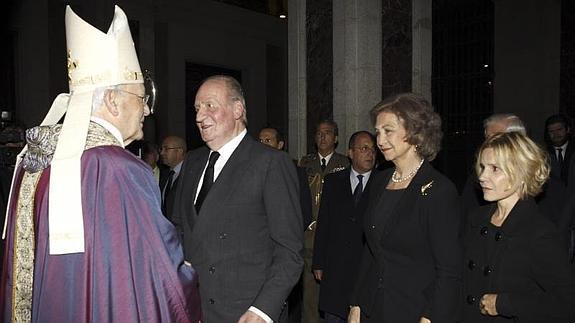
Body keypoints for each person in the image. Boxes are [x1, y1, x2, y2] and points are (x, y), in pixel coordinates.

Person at [0, 6, 201, 322]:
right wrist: (189, 273)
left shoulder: (35, 159)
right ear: (112, 100)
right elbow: (159, 277)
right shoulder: (119, 169)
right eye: (140, 97)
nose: (147, 111)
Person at [173, 75, 303, 322]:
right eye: (197, 109)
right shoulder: (192, 161)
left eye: (210, 105)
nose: (200, 117)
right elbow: (180, 226)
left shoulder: (271, 163)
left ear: (237, 109)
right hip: (196, 308)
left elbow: (289, 252)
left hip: (246, 311)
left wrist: (263, 310)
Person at [349, 93, 462, 323]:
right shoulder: (380, 181)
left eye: (388, 131)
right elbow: (371, 251)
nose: (380, 141)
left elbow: (449, 270)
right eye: (378, 132)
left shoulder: (439, 190)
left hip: (414, 311)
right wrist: (357, 303)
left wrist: (430, 316)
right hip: (374, 307)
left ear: (414, 132)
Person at [463, 132, 575, 322]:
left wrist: (505, 304)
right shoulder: (477, 219)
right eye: (482, 167)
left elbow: (567, 304)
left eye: (495, 169)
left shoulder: (539, 232)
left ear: (523, 173)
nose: (482, 176)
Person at [312, 131, 377, 323]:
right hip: (336, 270)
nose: (370, 154)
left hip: (366, 269)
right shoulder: (333, 181)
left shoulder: (382, 183)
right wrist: (318, 262)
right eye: (364, 148)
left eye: (373, 150)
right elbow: (324, 223)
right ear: (350, 152)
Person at [258, 125, 311, 323]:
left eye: (268, 140)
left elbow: (304, 214)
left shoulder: (296, 172)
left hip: (284, 251)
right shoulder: (250, 171)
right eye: (260, 140)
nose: (263, 144)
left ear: (280, 145)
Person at [298, 119, 349, 323]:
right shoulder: (305, 163)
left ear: (336, 138)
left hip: (334, 238)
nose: (322, 136)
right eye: (318, 133)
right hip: (309, 237)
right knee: (309, 296)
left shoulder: (344, 164)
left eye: (327, 132)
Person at [461, 113, 526, 219]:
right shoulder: (475, 180)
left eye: (497, 138)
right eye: (487, 138)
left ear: (518, 141)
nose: (488, 144)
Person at [159, 135, 186, 223]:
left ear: (179, 151)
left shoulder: (189, 175)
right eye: (162, 149)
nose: (162, 153)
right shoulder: (165, 175)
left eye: (166, 149)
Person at [545, 114, 573, 186]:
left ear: (567, 130)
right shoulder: (544, 154)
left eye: (559, 130)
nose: (556, 134)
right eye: (551, 131)